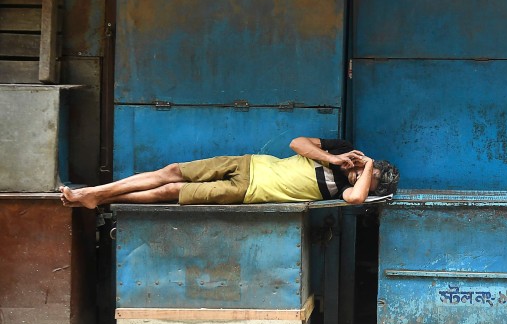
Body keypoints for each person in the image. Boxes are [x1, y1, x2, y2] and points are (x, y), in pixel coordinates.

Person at [61, 136, 399, 208]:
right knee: (171, 171)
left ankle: (98, 198)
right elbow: (297, 143)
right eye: (362, 169)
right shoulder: (340, 151)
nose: (358, 176)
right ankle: (99, 192)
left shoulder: (350, 189)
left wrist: (368, 167)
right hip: (248, 164)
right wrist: (334, 158)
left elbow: (355, 199)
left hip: (247, 193)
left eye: (365, 177)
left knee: (169, 193)